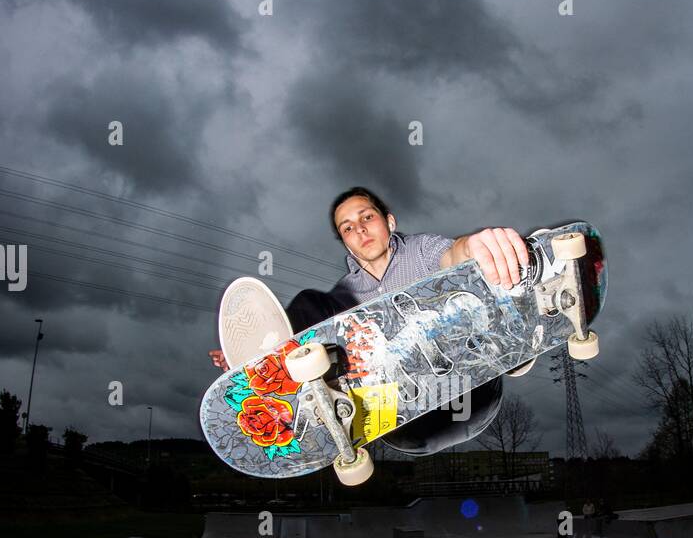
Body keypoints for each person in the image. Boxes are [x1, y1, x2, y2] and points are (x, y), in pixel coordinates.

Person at [212, 186, 530, 456]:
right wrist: (250, 353)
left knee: (455, 295)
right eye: (348, 228)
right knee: (310, 303)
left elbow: (451, 254)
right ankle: (269, 360)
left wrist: (472, 247)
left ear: (389, 221)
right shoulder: (342, 295)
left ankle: (510, 333)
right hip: (402, 420)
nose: (360, 229)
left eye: (367, 217)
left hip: (467, 390)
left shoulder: (420, 250)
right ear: (345, 242)